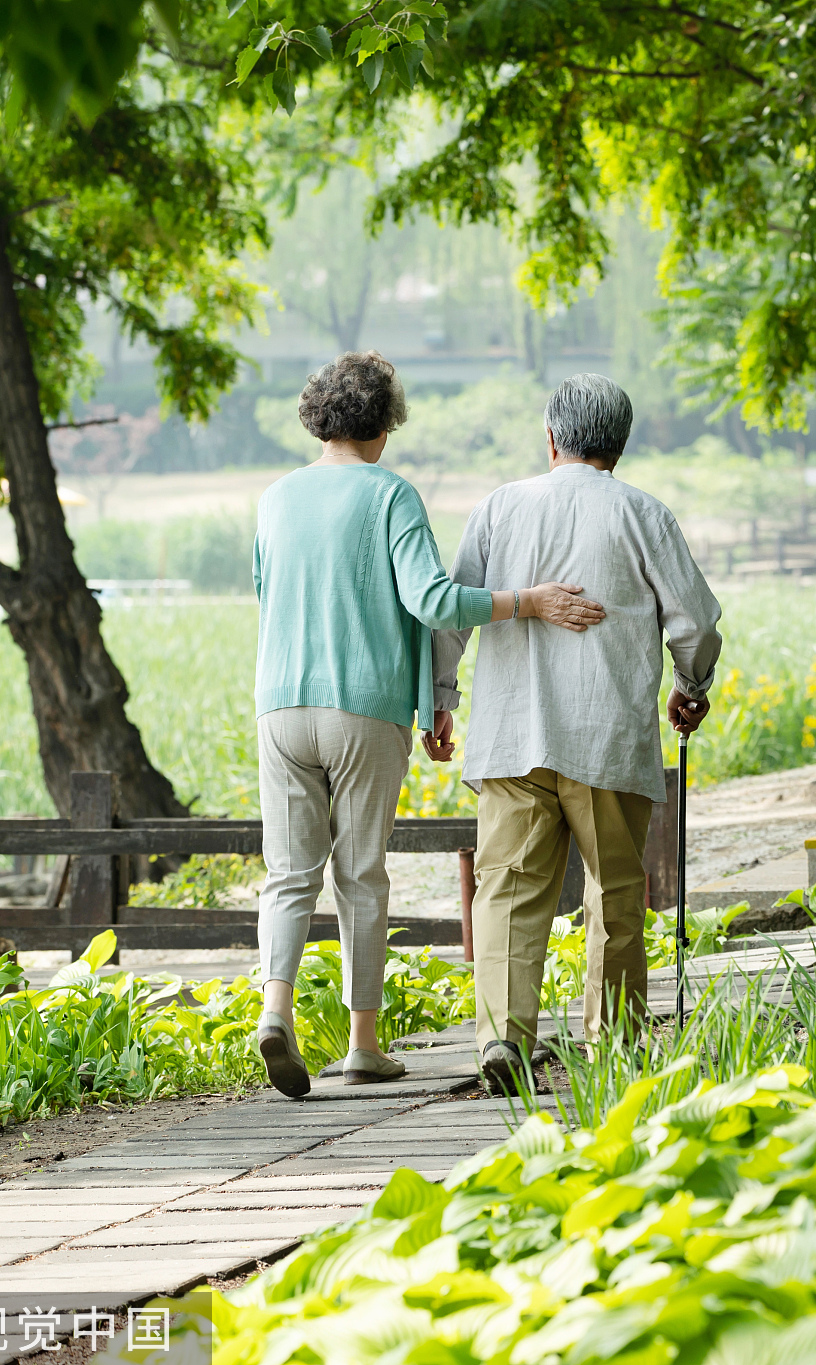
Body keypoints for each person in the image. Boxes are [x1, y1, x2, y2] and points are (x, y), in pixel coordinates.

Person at [251, 351, 604, 1099]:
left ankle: (274, 1011)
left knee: (289, 873)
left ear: (319, 416)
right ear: (383, 423)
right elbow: (436, 602)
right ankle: (363, 1043)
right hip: (363, 709)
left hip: (279, 705)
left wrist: (428, 694)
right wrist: (526, 601)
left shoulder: (275, 498)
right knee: (360, 874)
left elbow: (267, 592)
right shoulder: (390, 495)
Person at [433, 372, 721, 1094]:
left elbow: (454, 612)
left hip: (510, 734)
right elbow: (696, 622)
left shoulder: (500, 507)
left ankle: (504, 1038)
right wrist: (691, 686)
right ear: (618, 446)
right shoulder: (643, 514)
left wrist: (440, 697)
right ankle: (614, 1042)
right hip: (605, 736)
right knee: (616, 892)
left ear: (551, 436)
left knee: (505, 890)